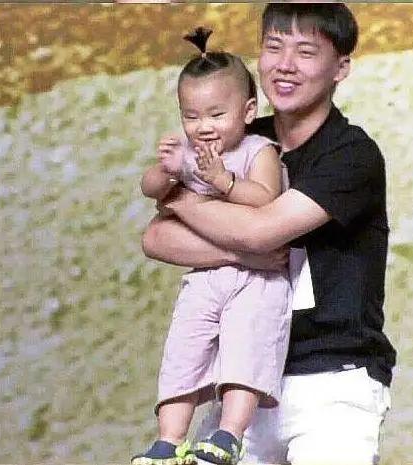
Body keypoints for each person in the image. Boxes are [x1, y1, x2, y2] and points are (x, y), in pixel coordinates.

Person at [143, 4, 396, 464]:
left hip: (332, 380)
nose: (285, 65)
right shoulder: (234, 138)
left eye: (305, 52)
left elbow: (262, 233)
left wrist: (181, 201)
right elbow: (157, 239)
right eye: (274, 47)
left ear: (341, 68)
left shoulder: (351, 155)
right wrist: (237, 250)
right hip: (242, 378)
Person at [133, 27, 292, 465]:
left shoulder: (259, 150)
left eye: (216, 115)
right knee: (183, 351)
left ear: (248, 111)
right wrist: (166, 171)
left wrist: (224, 181)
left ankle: (229, 433)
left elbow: (266, 199)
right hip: (204, 277)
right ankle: (169, 440)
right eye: (191, 116)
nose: (203, 128)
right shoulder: (187, 152)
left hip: (255, 280)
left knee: (246, 351)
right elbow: (150, 189)